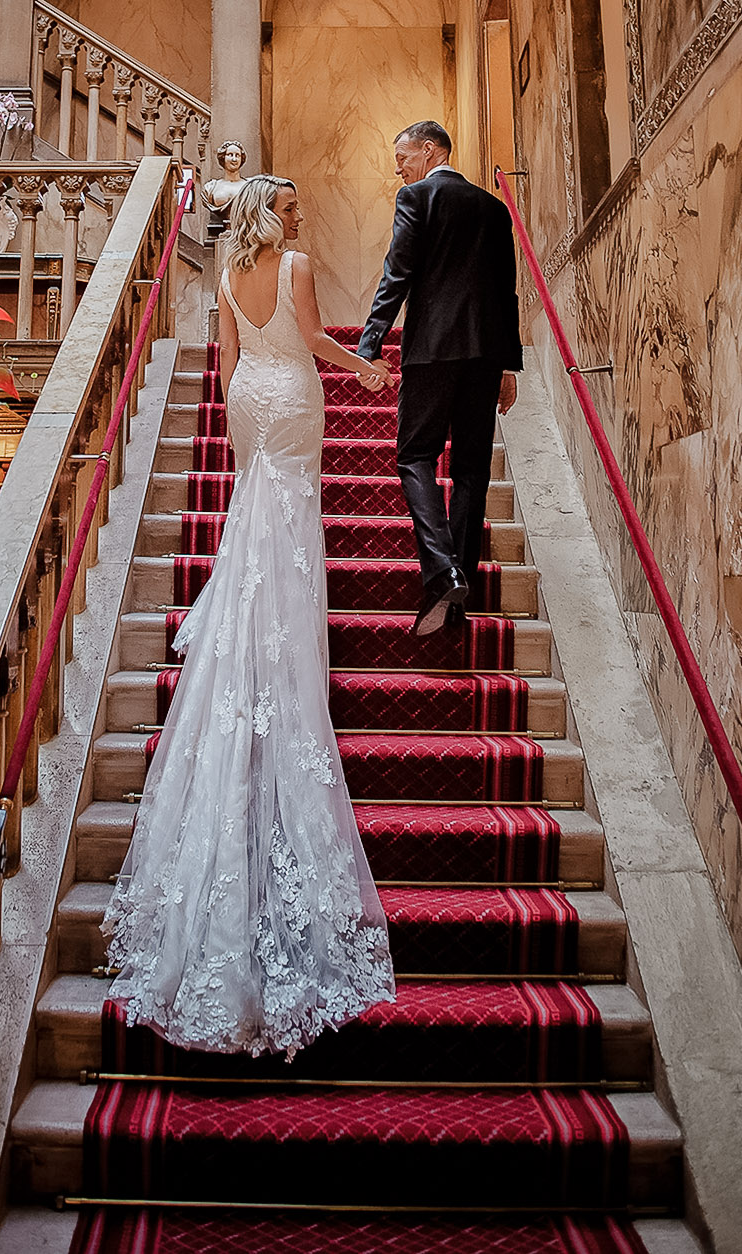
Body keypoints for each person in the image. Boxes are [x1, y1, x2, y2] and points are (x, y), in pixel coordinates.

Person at [104, 173, 395, 1056]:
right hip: (295, 396)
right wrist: (366, 368)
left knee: (254, 516)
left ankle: (255, 636)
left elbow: (228, 364)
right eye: (296, 205)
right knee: (292, 523)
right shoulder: (298, 263)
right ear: (279, 215)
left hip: (251, 406)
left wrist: (237, 428)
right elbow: (308, 337)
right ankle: (288, 649)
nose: (303, 215)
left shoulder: (227, 273)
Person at [358, 120, 522, 637]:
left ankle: (442, 570)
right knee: (472, 469)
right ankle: (456, 602)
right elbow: (507, 290)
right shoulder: (495, 208)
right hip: (483, 356)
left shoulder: (417, 197)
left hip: (431, 351)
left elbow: (397, 273)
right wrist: (508, 365)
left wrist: (369, 342)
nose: (398, 168)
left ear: (430, 151)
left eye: (403, 156)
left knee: (414, 456)